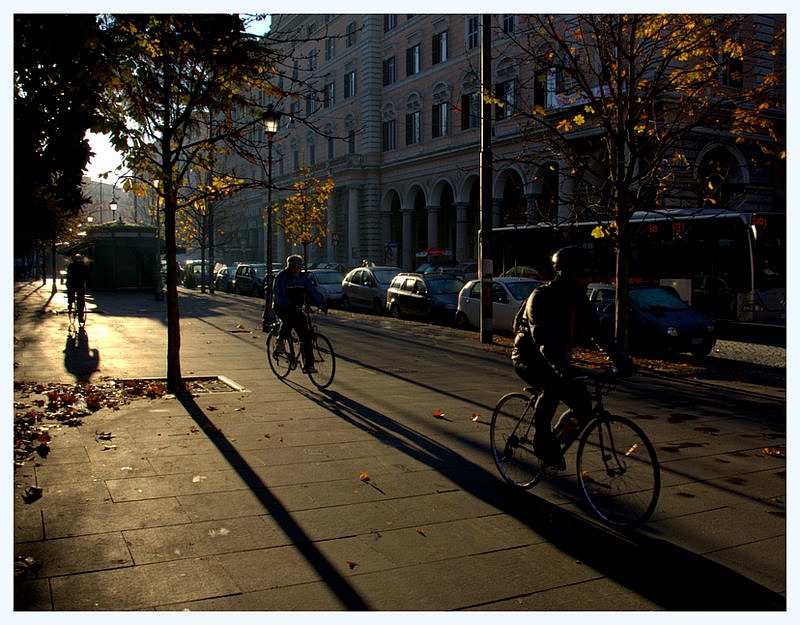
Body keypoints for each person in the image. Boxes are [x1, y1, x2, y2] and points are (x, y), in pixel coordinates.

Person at [511, 245, 634, 469]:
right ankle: (542, 440)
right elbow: (542, 338)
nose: (588, 280)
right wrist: (562, 367)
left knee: (584, 407)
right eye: (583, 275)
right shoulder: (540, 297)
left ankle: (555, 443)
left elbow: (598, 332)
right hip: (528, 357)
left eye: (590, 275)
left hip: (559, 360)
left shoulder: (578, 300)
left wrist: (621, 359)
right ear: (565, 273)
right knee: (552, 387)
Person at [270, 255, 326, 372]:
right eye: (294, 267)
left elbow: (311, 290)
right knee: (288, 320)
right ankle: (280, 341)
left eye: (298, 267)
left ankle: (309, 365)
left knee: (306, 336)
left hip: (297, 307)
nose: (296, 270)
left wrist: (321, 303)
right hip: (282, 307)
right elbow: (279, 295)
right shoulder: (281, 277)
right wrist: (288, 304)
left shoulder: (302, 278)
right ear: (289, 267)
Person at [66, 253, 89, 325]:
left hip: (73, 284)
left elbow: (68, 274)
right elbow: (87, 275)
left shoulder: (71, 265)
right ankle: (81, 316)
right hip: (79, 284)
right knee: (81, 300)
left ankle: (70, 304)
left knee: (71, 293)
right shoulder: (83, 265)